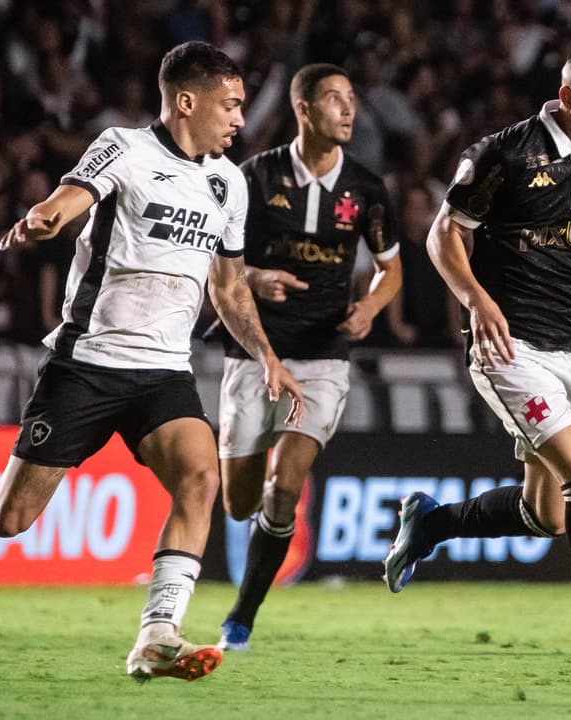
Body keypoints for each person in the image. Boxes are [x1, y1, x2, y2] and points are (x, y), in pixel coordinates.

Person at [0, 41, 303, 683]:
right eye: (231, 105)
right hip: (87, 365)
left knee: (199, 478)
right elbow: (70, 197)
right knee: (8, 519)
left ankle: (158, 634)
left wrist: (266, 353)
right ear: (187, 101)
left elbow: (229, 285)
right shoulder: (124, 148)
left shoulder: (228, 182)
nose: (240, 119)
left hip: (163, 372)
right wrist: (44, 219)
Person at [382, 37, 571, 690]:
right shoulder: (505, 154)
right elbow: (444, 235)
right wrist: (475, 301)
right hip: (508, 347)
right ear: (568, 98)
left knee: (547, 515)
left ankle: (430, 523)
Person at [212, 63, 402, 651]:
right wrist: (259, 275)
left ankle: (242, 616)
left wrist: (369, 309)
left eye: (352, 100)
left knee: (284, 485)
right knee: (239, 501)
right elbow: (220, 267)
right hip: (254, 355)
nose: (349, 111)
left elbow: (392, 270)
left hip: (323, 358)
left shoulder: (366, 190)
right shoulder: (255, 178)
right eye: (335, 100)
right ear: (303, 109)